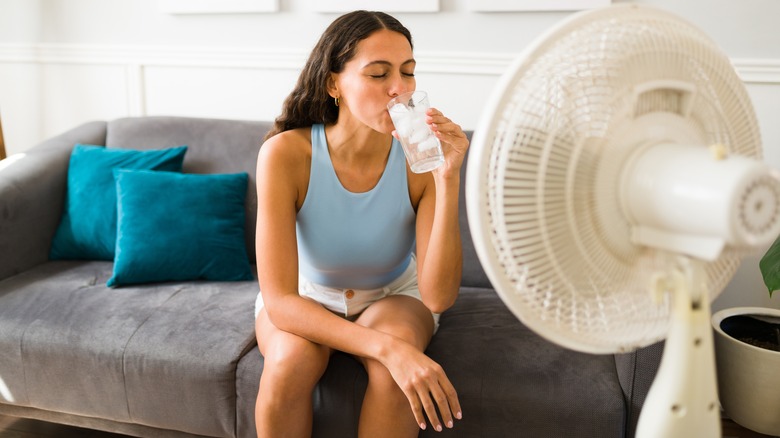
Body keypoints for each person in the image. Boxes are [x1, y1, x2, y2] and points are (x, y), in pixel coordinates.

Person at [253, 10, 469, 437]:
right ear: (334, 83)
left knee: (394, 377)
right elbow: (279, 301)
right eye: (378, 74)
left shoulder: (422, 159)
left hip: (393, 295)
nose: (399, 90)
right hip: (306, 295)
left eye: (408, 73)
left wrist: (447, 180)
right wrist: (388, 348)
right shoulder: (285, 155)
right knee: (288, 363)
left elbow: (439, 297)